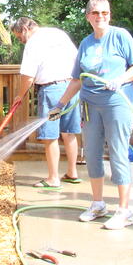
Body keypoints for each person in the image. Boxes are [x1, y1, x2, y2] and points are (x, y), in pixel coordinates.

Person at [49, 0, 133, 229]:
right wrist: (59, 105)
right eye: (96, 13)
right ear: (88, 17)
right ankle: (98, 203)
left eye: (105, 13)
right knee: (91, 153)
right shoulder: (85, 43)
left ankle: (124, 210)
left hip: (117, 102)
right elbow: (77, 79)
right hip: (90, 105)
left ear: (110, 15)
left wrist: (119, 79)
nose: (101, 16)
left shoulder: (120, 36)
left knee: (118, 152)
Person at [11, 17, 81, 188]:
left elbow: (28, 75)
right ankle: (72, 173)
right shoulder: (58, 34)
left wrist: (20, 95)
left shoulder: (33, 42)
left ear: (25, 29)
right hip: (72, 87)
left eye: (19, 37)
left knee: (50, 136)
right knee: (69, 133)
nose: (20, 41)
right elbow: (78, 60)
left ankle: (53, 178)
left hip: (52, 91)